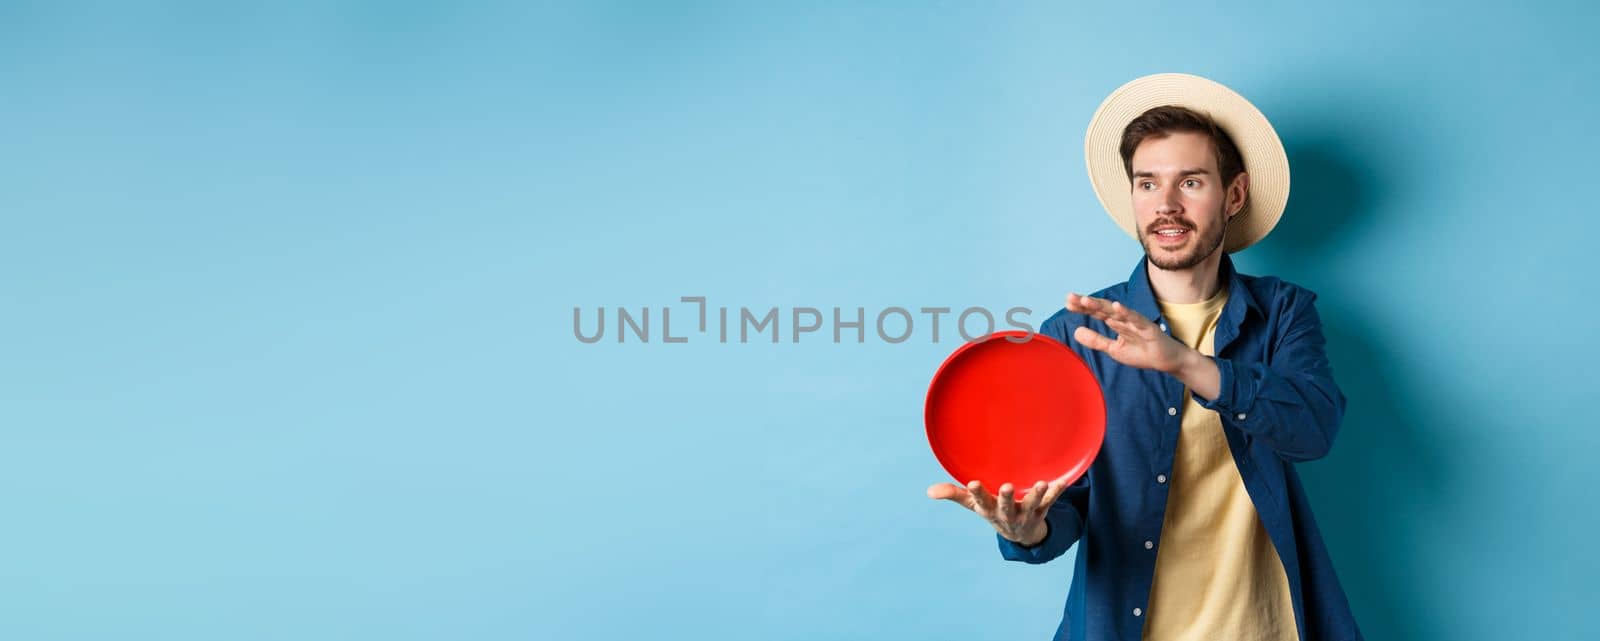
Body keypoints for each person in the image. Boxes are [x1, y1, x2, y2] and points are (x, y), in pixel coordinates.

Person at [927, 74, 1362, 641]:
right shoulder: (1076, 333)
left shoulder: (1283, 313)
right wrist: (1028, 529)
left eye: (1191, 182)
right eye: (1148, 183)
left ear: (1234, 195)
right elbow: (1065, 502)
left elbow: (1313, 431)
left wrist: (1186, 363)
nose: (1166, 205)